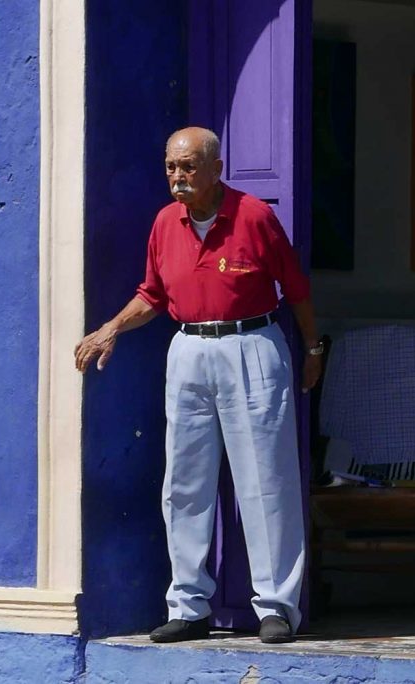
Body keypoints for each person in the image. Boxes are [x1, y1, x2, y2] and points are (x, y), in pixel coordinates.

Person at [74, 127, 323, 644]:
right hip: (188, 348)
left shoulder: (254, 216)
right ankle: (188, 605)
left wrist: (313, 349)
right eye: (171, 167)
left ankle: (276, 607)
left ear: (216, 169)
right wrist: (111, 328)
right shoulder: (166, 222)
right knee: (184, 482)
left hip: (251, 344)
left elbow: (296, 288)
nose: (178, 177)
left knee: (265, 480)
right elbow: (152, 294)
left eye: (188, 166)